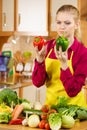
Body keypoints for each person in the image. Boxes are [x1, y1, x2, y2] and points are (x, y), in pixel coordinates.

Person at [32, 4, 87, 107]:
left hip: (74, 112)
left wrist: (64, 65)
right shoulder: (48, 46)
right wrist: (39, 61)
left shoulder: (82, 52)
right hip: (51, 110)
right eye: (59, 22)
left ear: (77, 24)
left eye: (67, 23)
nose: (62, 27)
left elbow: (73, 91)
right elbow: (37, 83)